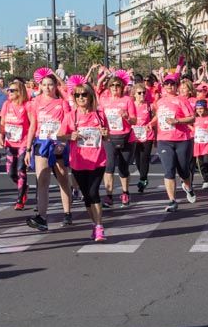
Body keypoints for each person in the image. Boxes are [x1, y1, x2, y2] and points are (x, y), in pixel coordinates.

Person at [24, 70, 73, 231]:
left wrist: (64, 142)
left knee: (63, 179)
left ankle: (67, 213)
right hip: (41, 142)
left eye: (50, 84)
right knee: (42, 180)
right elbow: (33, 126)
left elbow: (68, 125)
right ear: (40, 86)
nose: (47, 88)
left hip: (58, 144)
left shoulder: (62, 103)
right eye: (44, 85)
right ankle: (42, 218)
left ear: (55, 86)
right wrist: (28, 148)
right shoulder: (35, 102)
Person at [60, 83, 109, 242]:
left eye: (84, 94)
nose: (81, 98)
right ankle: (95, 225)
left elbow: (107, 136)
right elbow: (60, 135)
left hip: (97, 160)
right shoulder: (71, 116)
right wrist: (69, 136)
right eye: (78, 95)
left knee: (94, 192)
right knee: (87, 196)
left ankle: (100, 227)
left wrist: (105, 134)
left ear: (90, 96)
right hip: (78, 161)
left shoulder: (99, 115)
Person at [153, 75, 197, 212]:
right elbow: (158, 117)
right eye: (166, 83)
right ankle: (172, 200)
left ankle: (188, 187)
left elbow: (192, 118)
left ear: (176, 85)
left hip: (182, 139)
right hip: (164, 140)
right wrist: (151, 124)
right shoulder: (159, 102)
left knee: (183, 170)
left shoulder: (182, 100)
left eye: (172, 83)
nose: (169, 86)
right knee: (169, 170)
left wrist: (177, 121)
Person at [97, 74, 135, 208]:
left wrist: (127, 117)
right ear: (109, 87)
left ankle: (125, 192)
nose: (115, 87)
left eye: (117, 85)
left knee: (123, 168)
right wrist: (100, 128)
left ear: (122, 87)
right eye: (112, 85)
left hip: (126, 137)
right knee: (109, 167)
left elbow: (134, 120)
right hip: (109, 137)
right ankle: (109, 196)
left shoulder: (128, 100)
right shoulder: (104, 100)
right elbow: (99, 117)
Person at [0, 77, 32, 210]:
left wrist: (30, 143)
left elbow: (32, 124)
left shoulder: (27, 106)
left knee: (20, 170)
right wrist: (0, 136)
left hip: (23, 143)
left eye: (13, 90)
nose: (9, 92)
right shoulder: (6, 105)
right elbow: (2, 123)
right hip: (10, 142)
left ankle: (20, 198)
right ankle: (23, 186)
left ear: (20, 92)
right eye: (9, 90)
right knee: (10, 172)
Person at [130, 82, 156, 194]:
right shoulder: (130, 105)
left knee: (144, 158)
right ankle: (143, 177)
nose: (142, 95)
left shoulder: (149, 106)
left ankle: (143, 179)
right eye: (139, 93)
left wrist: (151, 125)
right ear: (134, 94)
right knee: (137, 159)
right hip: (134, 136)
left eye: (144, 93)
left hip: (147, 135)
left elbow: (155, 118)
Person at [192, 101, 208, 189]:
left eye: (201, 108)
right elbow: (192, 128)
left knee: (206, 161)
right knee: (200, 163)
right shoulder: (194, 119)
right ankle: (205, 180)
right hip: (198, 144)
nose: (199, 110)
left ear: (206, 108)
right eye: (198, 109)